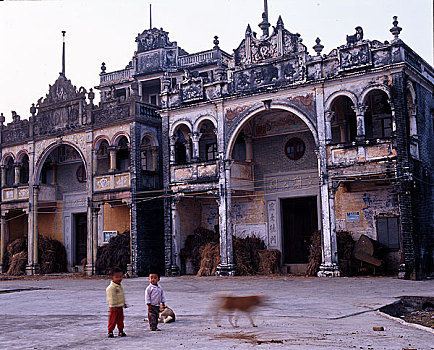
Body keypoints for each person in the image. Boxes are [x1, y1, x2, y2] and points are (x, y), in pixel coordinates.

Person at [106, 267, 127, 338]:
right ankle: (110, 331)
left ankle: (121, 330)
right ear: (112, 277)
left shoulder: (120, 286)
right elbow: (111, 297)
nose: (119, 278)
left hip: (120, 306)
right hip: (114, 306)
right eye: (117, 277)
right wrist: (113, 305)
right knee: (113, 319)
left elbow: (122, 296)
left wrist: (123, 303)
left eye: (121, 276)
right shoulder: (111, 288)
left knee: (120, 319)